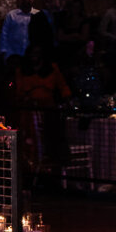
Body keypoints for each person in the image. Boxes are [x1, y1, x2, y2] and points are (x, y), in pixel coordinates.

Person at [13, 40, 71, 182]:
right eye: (32, 53)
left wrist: (68, 100)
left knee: (52, 138)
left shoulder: (52, 68)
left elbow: (63, 87)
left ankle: (51, 172)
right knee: (30, 140)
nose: (35, 56)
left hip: (49, 110)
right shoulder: (22, 71)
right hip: (29, 112)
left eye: (37, 53)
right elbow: (18, 91)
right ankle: (31, 171)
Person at [0, 0, 33, 66]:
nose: (30, 0)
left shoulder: (36, 15)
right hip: (14, 53)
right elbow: (4, 33)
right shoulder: (12, 15)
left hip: (31, 55)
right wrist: (3, 51)